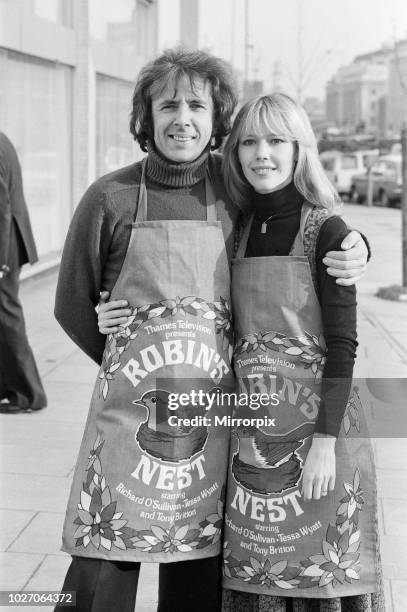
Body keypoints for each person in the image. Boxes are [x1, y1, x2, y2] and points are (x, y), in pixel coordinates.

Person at [55, 49, 368, 612]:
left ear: (217, 117)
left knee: (196, 579)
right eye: (167, 104)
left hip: (214, 428)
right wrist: (125, 349)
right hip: (132, 419)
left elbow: (296, 217)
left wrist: (353, 247)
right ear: (144, 116)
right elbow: (72, 307)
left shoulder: (234, 193)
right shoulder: (109, 197)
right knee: (101, 571)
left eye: (197, 105)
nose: (183, 118)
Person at [219, 93, 384, 611]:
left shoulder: (328, 231)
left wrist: (324, 443)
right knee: (260, 571)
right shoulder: (237, 228)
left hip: (320, 436)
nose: (261, 154)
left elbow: (344, 344)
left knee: (319, 576)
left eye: (275, 140)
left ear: (299, 150)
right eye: (249, 141)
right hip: (254, 438)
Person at [0, 131, 47, 414]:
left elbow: (1, 209)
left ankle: (29, 394)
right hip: (10, 242)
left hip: (6, 246)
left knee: (6, 315)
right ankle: (11, 387)